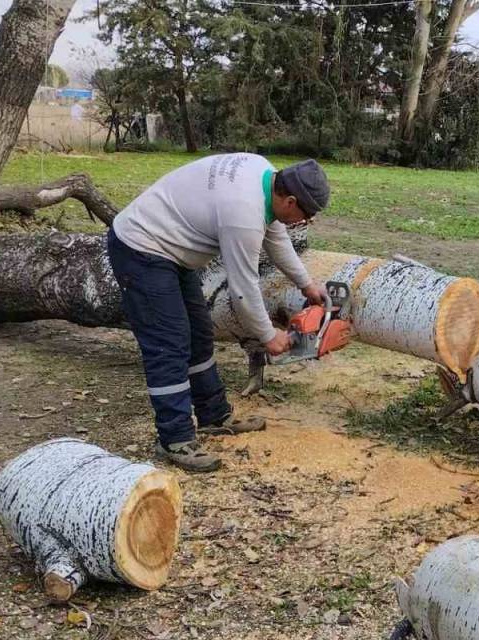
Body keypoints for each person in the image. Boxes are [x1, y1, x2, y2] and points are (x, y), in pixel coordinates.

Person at [107, 154, 330, 472]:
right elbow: (243, 290)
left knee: (199, 333)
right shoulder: (243, 213)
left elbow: (276, 236)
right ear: (291, 200)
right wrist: (269, 336)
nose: (303, 223)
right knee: (169, 343)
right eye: (305, 217)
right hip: (141, 247)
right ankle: (175, 438)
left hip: (172, 248)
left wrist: (307, 285)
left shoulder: (265, 175)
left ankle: (213, 414)